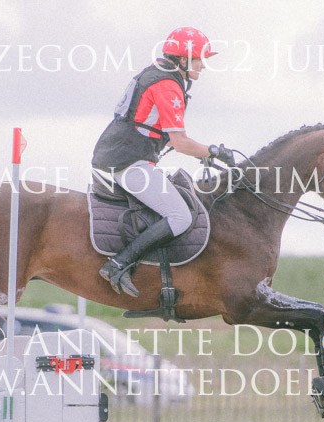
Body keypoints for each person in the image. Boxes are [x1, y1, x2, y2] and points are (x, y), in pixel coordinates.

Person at [91, 26, 235, 297]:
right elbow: (180, 142)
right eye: (199, 59)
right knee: (180, 217)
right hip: (130, 162)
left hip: (125, 156)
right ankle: (118, 264)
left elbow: (161, 134)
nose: (203, 65)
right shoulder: (167, 85)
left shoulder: (158, 74)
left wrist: (204, 153)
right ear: (183, 59)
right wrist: (212, 151)